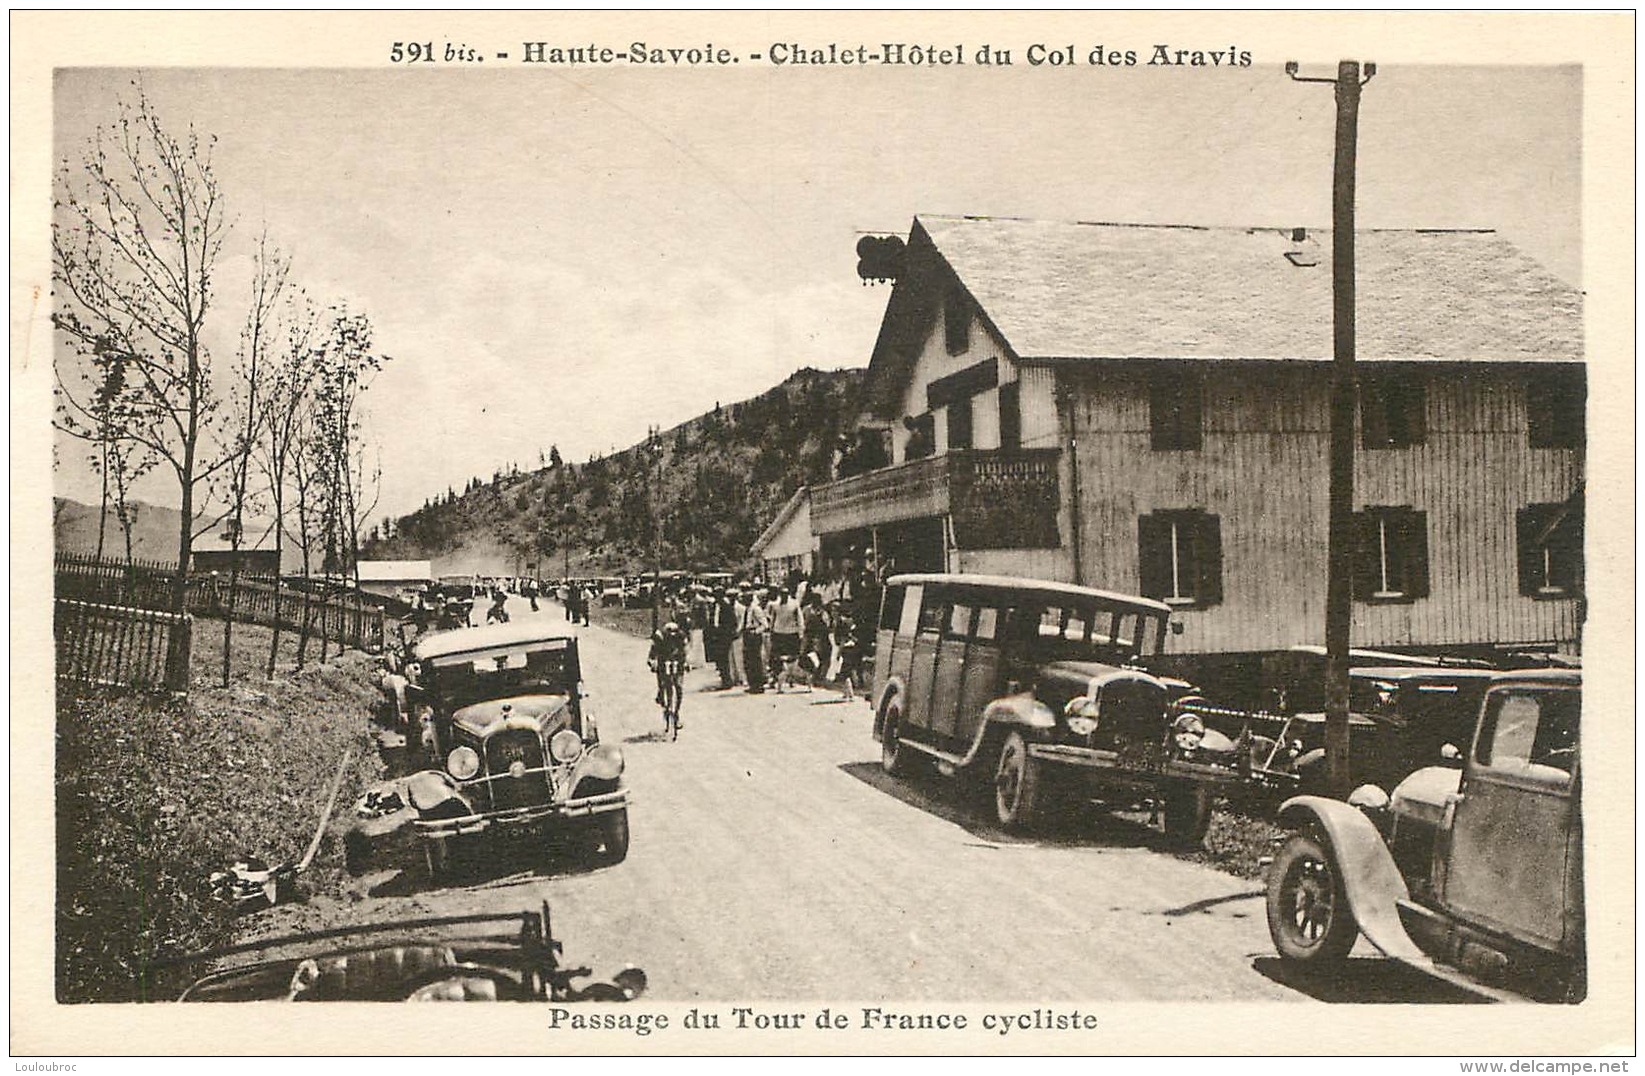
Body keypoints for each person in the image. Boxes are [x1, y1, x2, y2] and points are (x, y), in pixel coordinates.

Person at [648, 618, 689, 739]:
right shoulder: (659, 637)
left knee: (679, 686)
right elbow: (652, 653)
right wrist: (652, 661)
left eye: (674, 632)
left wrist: (687, 662)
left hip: (678, 662)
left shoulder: (681, 636)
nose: (672, 634)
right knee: (663, 684)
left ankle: (677, 713)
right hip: (663, 662)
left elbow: (686, 651)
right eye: (669, 632)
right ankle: (662, 697)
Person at [767, 584, 803, 693]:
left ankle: (791, 677)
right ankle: (776, 678)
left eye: (786, 594)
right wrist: (771, 631)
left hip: (791, 633)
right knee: (777, 657)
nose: (784, 597)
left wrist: (800, 632)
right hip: (778, 633)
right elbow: (772, 619)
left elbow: (800, 619)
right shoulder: (775, 605)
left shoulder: (794, 604)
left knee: (792, 656)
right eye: (782, 594)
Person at [739, 585, 769, 694]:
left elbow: (765, 625)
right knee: (748, 661)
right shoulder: (747, 609)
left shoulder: (756, 609)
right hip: (747, 635)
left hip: (754, 637)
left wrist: (755, 632)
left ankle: (758, 685)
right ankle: (752, 684)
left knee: (755, 661)